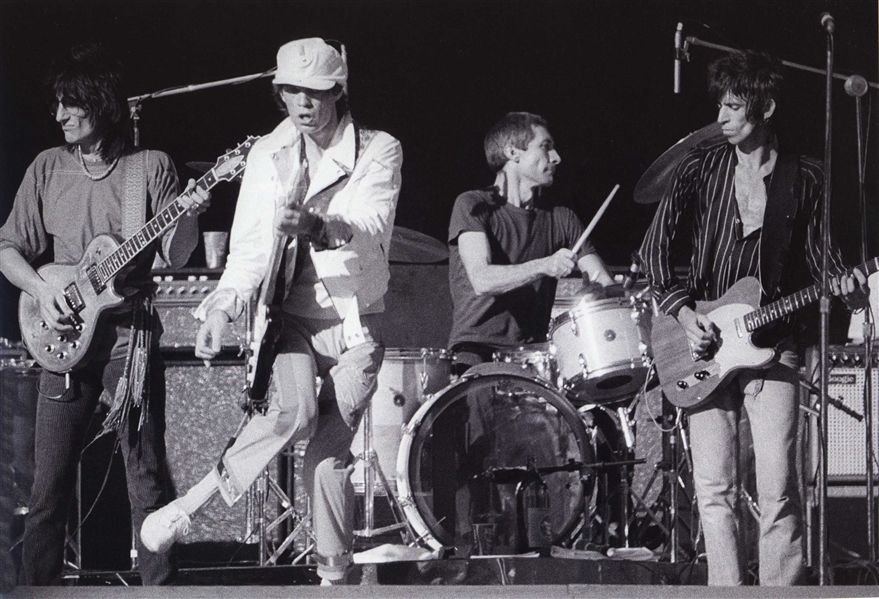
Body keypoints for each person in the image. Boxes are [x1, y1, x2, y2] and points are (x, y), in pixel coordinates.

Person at [140, 38, 403, 585]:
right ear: (279, 93)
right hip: (288, 323)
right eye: (290, 91)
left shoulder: (379, 149)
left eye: (314, 91)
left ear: (338, 91)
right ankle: (191, 505)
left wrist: (314, 226)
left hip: (355, 326)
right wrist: (221, 308)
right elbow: (251, 250)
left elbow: (370, 223)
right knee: (295, 411)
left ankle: (335, 580)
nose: (302, 102)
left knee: (330, 459)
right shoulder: (267, 153)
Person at [639, 50, 869, 586]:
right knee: (714, 489)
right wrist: (684, 312)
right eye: (720, 104)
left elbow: (822, 260)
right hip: (701, 342)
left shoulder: (805, 176)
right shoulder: (700, 166)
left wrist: (849, 286)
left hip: (775, 343)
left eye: (734, 106)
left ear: (764, 108)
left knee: (778, 487)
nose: (721, 116)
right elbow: (654, 253)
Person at [0, 43, 210, 586]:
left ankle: (161, 591)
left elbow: (178, 254)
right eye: (57, 104)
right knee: (48, 486)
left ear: (102, 104)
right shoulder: (46, 167)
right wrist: (42, 292)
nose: (60, 115)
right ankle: (35, 592)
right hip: (62, 334)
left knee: (145, 479)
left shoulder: (150, 168)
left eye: (72, 104)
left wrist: (187, 214)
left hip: (127, 340)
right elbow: (8, 249)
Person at [447, 111, 615, 375]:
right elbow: (481, 279)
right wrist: (544, 265)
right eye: (545, 147)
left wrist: (603, 293)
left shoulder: (561, 217)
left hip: (533, 356)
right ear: (514, 153)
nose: (556, 157)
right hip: (476, 353)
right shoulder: (473, 204)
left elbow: (602, 281)